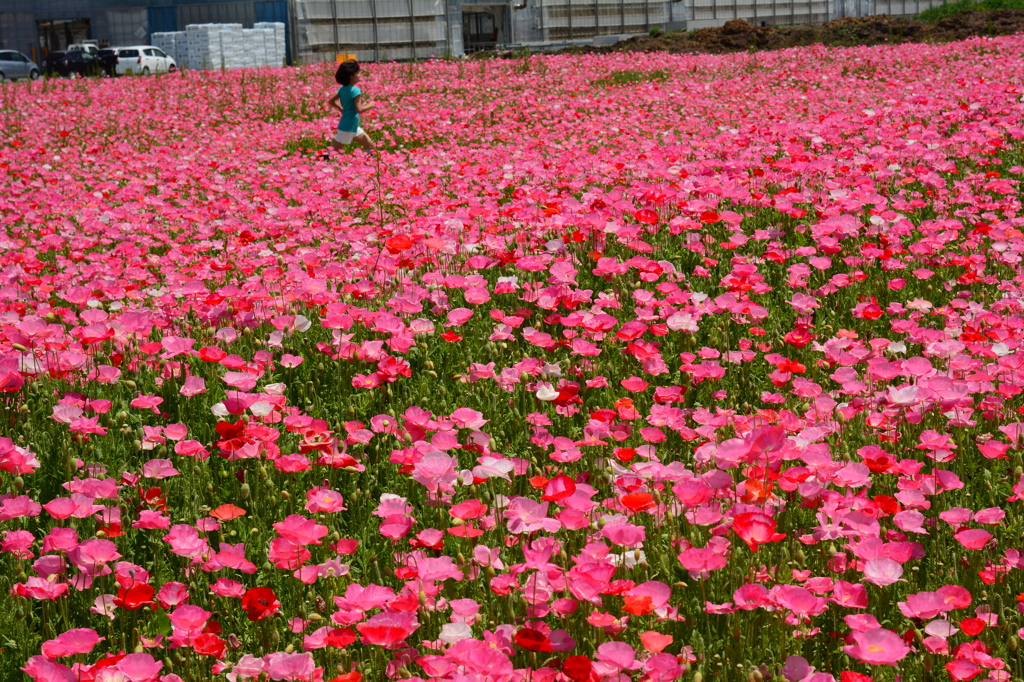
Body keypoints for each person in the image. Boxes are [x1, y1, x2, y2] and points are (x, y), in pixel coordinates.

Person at [327, 60, 375, 154]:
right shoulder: (355, 90)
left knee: (370, 145)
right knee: (333, 152)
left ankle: (369, 164)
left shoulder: (342, 89)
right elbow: (359, 109)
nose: (359, 75)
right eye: (357, 73)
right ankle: (322, 162)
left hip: (352, 125)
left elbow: (331, 101)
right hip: (347, 127)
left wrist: (340, 108)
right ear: (351, 76)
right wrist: (371, 105)